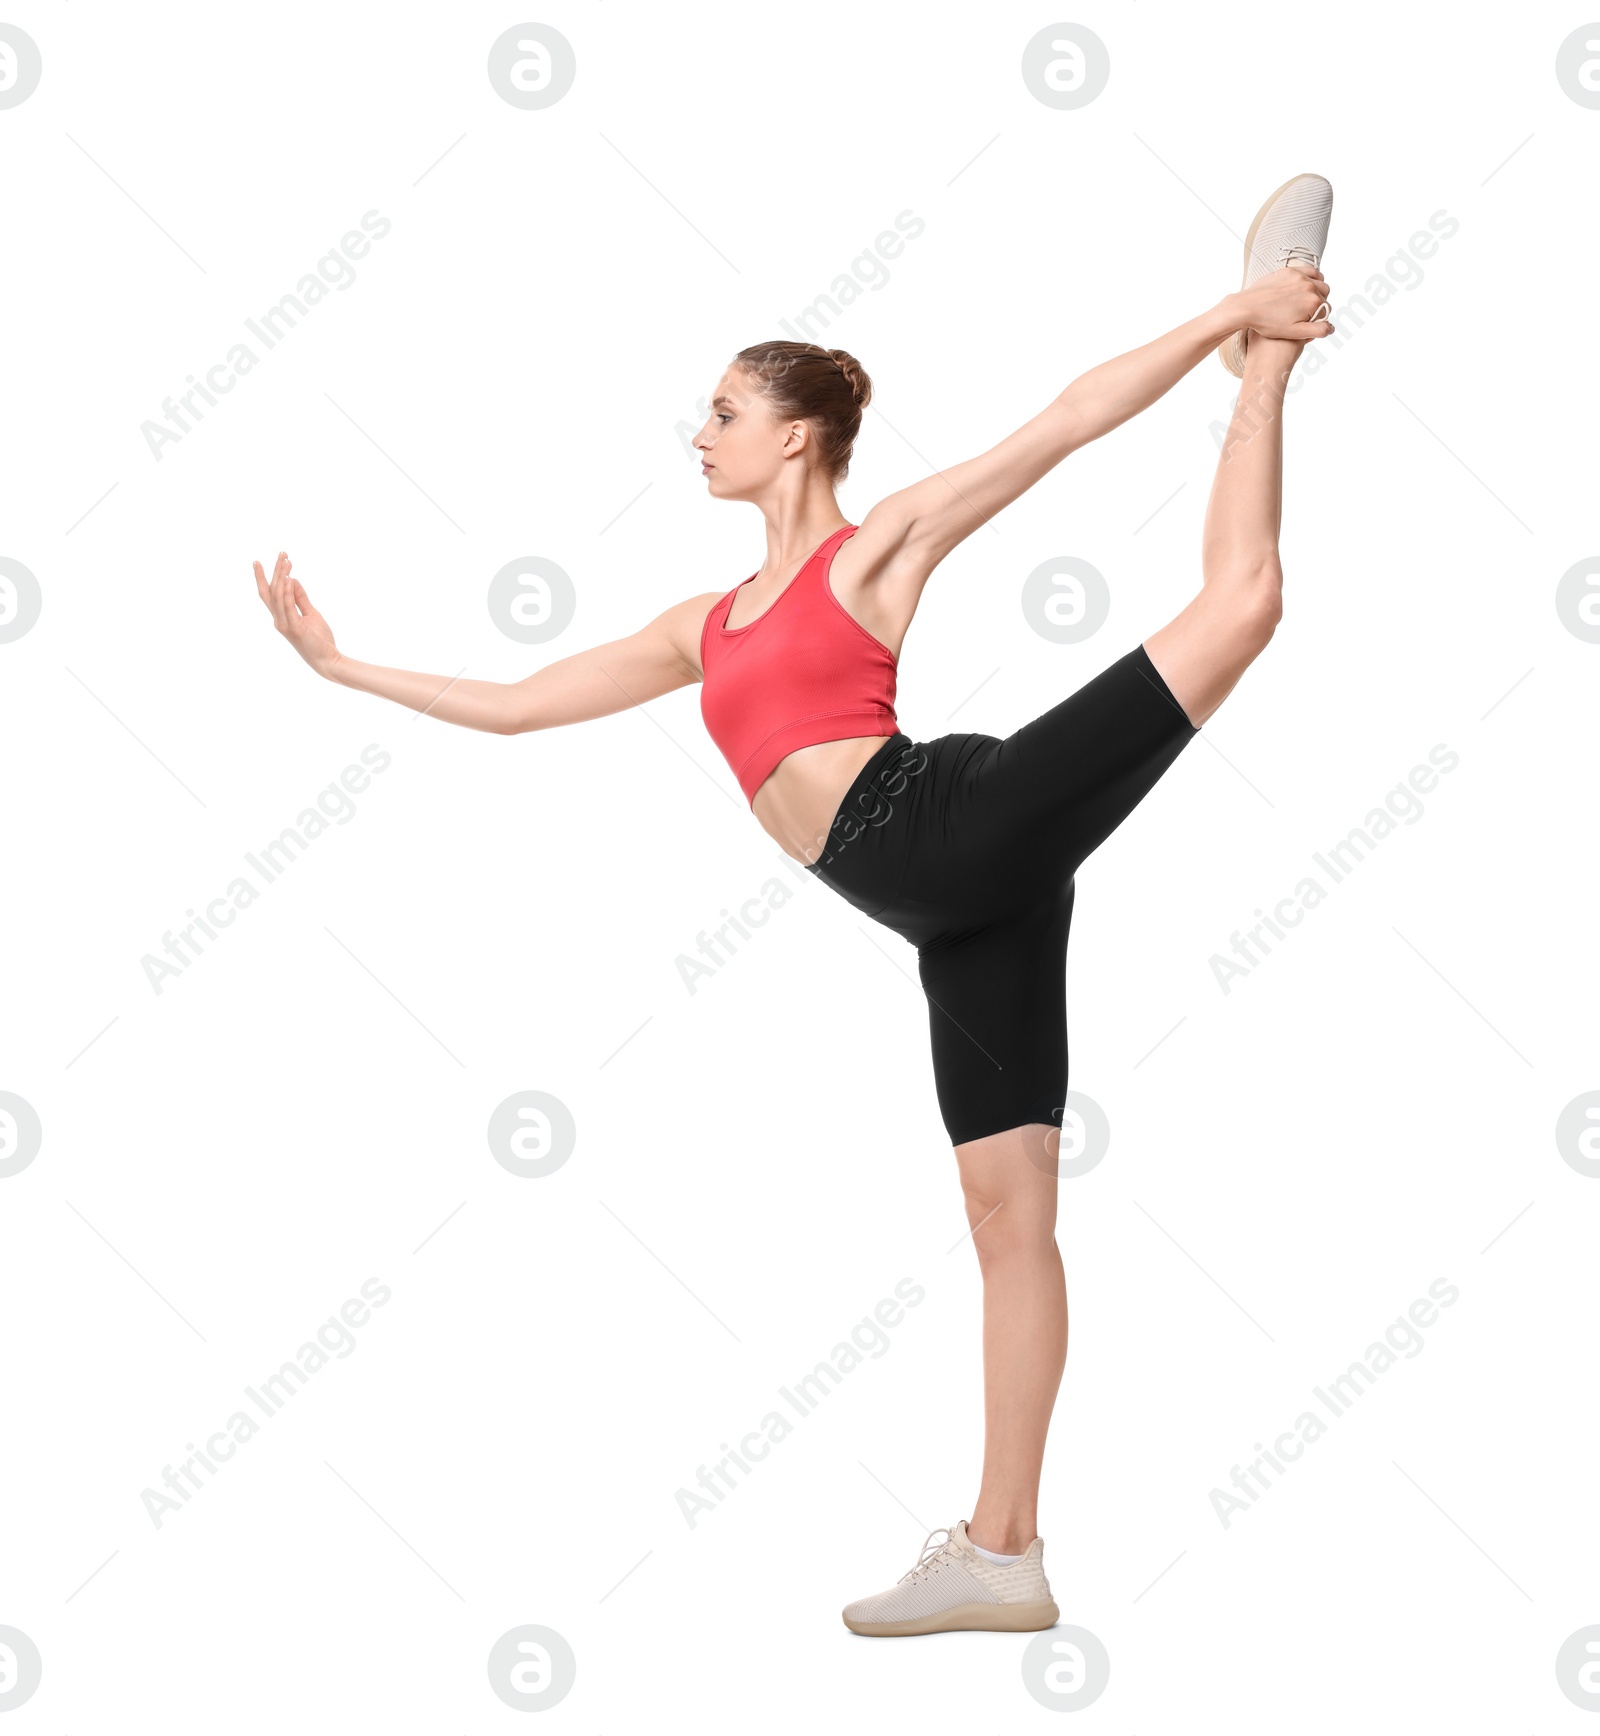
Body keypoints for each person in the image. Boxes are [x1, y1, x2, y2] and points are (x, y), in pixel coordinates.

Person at [254, 172, 1334, 1639]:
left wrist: (1231, 312)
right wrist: (343, 666)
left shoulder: (871, 549)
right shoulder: (700, 628)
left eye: (719, 412)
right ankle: (1004, 1552)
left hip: (953, 817)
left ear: (794, 431)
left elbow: (1063, 422)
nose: (696, 436)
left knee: (1243, 601)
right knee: (1005, 1217)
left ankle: (1275, 342)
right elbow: (513, 709)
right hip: (947, 918)